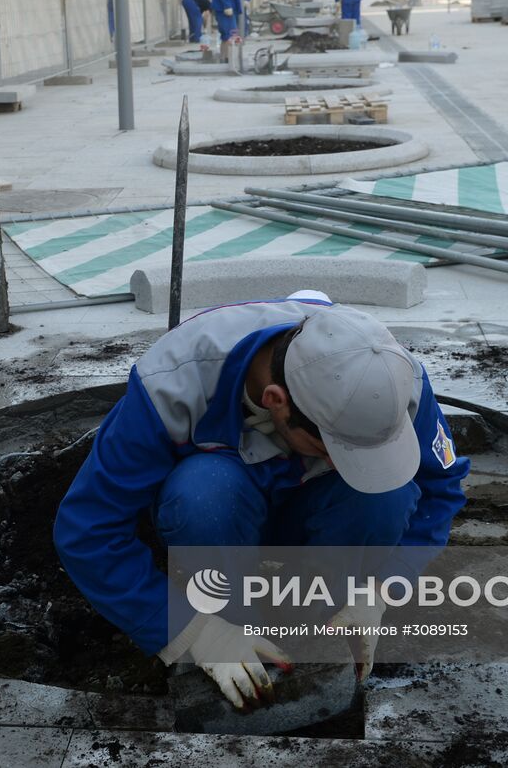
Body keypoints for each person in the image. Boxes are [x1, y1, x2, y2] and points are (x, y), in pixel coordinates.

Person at [53, 295, 469, 711]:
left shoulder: (393, 381)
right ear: (275, 402)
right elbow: (88, 528)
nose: (341, 463)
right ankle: (228, 627)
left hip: (315, 507)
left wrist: (382, 587)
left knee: (388, 496)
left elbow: (442, 488)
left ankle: (316, 623)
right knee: (202, 495)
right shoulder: (172, 383)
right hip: (224, 510)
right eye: (332, 451)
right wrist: (189, 630)